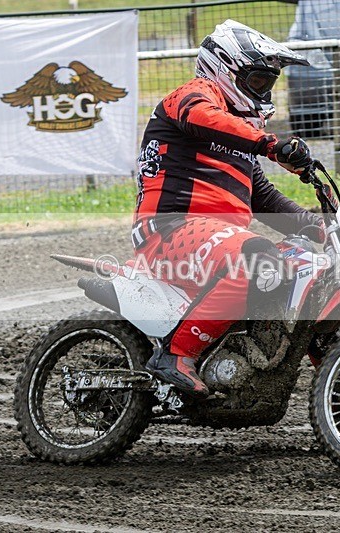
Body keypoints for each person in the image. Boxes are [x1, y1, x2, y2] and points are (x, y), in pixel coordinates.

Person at [133, 20, 323, 398]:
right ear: (225, 67)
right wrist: (270, 144)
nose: (264, 91)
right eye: (257, 81)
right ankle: (175, 354)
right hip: (170, 230)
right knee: (259, 258)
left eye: (268, 83)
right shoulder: (190, 98)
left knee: (309, 270)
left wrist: (318, 224)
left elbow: (263, 196)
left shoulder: (237, 130)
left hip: (221, 239)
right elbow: (204, 116)